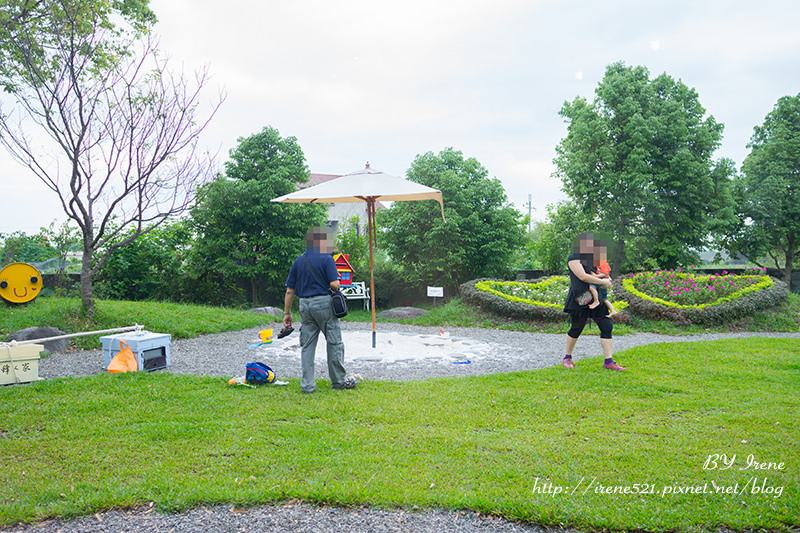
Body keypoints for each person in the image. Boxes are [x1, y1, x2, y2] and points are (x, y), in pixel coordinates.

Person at [283, 226, 357, 393]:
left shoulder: (298, 261)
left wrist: (287, 313)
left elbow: (289, 291)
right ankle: (338, 381)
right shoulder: (327, 259)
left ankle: (307, 385)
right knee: (334, 342)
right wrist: (336, 279)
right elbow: (334, 284)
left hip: (305, 306)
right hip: (324, 305)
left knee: (307, 345)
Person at [562, 233, 626, 371]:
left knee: (606, 326)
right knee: (577, 327)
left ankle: (608, 361)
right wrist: (602, 282)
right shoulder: (573, 257)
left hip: (594, 296)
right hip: (581, 297)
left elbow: (596, 274)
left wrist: (605, 281)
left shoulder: (591, 259)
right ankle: (567, 358)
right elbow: (583, 277)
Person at [587, 241, 617, 317]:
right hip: (603, 279)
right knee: (604, 298)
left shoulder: (603, 263)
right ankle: (612, 310)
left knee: (592, 287)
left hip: (602, 279)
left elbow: (604, 273)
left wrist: (595, 277)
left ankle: (596, 301)